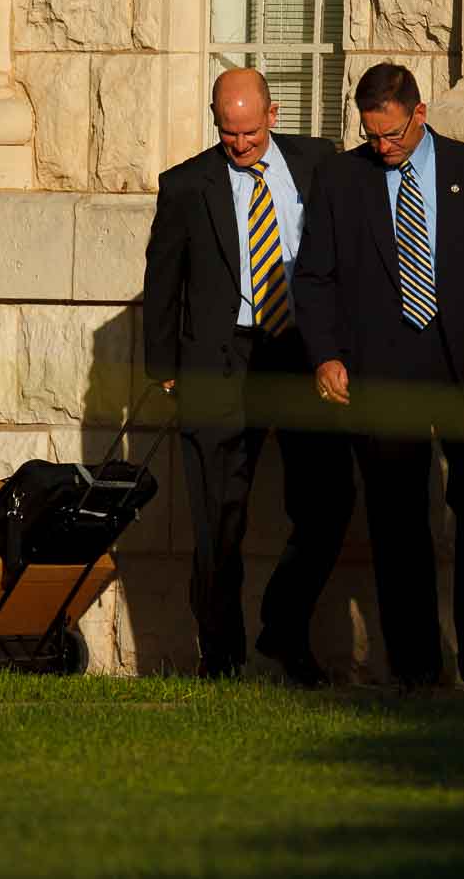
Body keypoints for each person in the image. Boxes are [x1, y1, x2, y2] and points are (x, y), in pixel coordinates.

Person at [293, 62, 464, 690]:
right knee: (398, 518)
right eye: (372, 136)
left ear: (420, 114)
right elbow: (314, 277)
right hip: (383, 372)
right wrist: (326, 353)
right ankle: (416, 665)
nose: (382, 148)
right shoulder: (340, 178)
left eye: (393, 136)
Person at [143, 68, 354, 684]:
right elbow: (164, 281)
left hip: (300, 354)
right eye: (227, 132)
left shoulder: (321, 164)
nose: (239, 145)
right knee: (217, 519)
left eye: (250, 132)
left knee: (329, 502)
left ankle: (284, 631)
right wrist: (165, 371)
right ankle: (222, 657)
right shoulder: (186, 185)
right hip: (222, 359)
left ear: (273, 113)